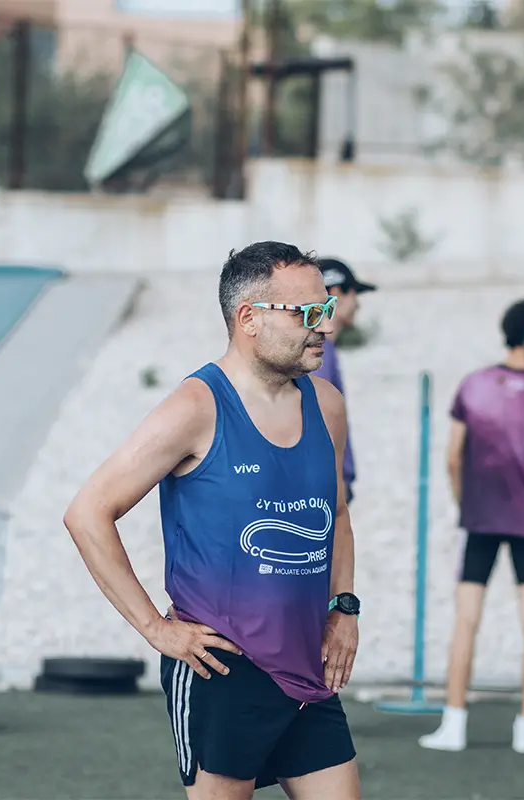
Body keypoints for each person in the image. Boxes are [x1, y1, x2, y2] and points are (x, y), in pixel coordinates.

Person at [62, 241, 362, 799]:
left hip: (308, 670)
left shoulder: (327, 404)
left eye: (327, 309)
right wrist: (155, 628)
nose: (325, 325)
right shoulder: (195, 408)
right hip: (221, 672)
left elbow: (336, 515)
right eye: (309, 313)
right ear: (249, 318)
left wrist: (344, 608)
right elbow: (87, 513)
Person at [419, 297, 524, 755]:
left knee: (466, 622)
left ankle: (454, 725)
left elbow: (451, 458)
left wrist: (469, 505)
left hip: (481, 521)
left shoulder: (472, 385)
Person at [310, 257, 377, 504]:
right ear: (336, 293)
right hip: (327, 488)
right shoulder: (319, 351)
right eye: (354, 294)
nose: (358, 304)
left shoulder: (322, 350)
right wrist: (336, 485)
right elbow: (322, 419)